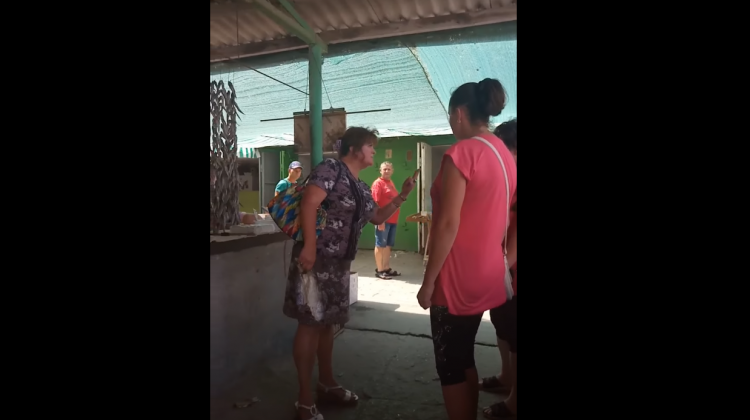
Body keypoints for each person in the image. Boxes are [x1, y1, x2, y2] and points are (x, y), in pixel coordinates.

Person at [283, 127, 419, 420]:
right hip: (315, 260)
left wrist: (403, 195)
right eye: (370, 146)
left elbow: (377, 216)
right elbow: (309, 202)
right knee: (310, 324)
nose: (374, 151)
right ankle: (304, 399)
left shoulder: (360, 185)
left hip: (338, 264)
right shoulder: (331, 168)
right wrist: (310, 247)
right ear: (355, 149)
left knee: (327, 323)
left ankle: (326, 382)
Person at [416, 79, 517, 420]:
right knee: (463, 354)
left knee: (452, 362)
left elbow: (448, 224)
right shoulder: (504, 154)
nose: (450, 123)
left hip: (457, 275)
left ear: (459, 113)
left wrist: (428, 282)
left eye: (449, 116)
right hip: (490, 271)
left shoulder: (462, 153)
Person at [479, 118, 518, 420]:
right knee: (502, 325)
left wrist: (498, 270)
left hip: (511, 270)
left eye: (504, 148)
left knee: (515, 333)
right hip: (504, 269)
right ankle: (507, 376)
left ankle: (514, 402)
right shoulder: (509, 180)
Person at [371, 161, 402, 279]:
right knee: (380, 245)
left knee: (388, 245)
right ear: (380, 171)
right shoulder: (378, 183)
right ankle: (379, 270)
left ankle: (386, 268)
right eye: (384, 169)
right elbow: (375, 203)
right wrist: (380, 220)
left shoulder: (390, 183)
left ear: (392, 171)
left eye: (389, 169)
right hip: (383, 220)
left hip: (393, 220)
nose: (387, 171)